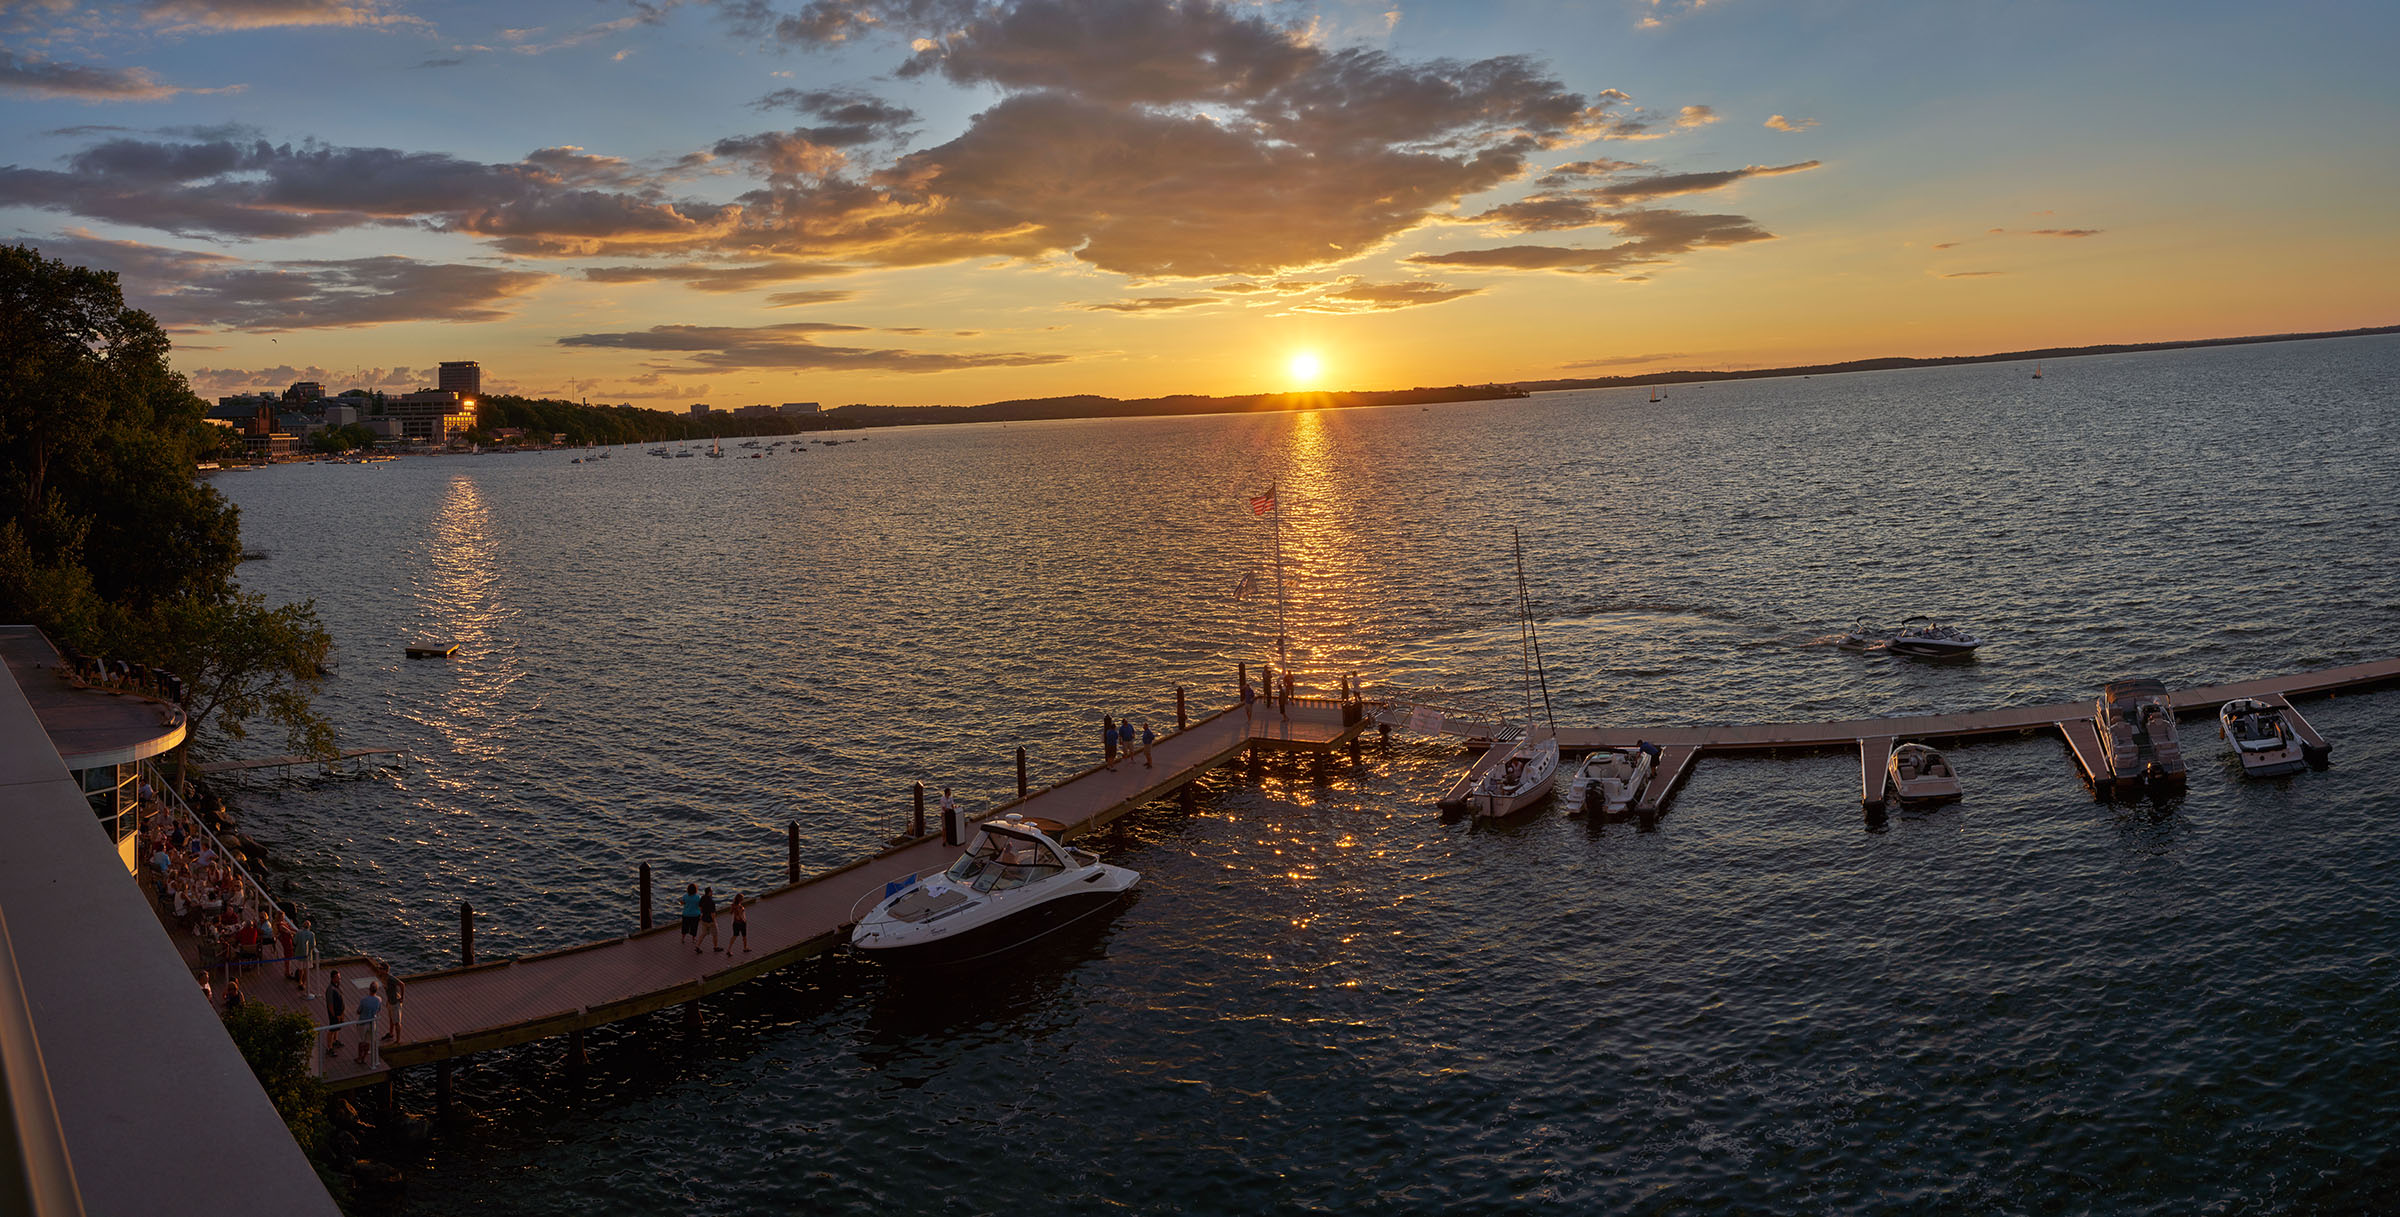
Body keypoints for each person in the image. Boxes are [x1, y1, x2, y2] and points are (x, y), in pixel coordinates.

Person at [353, 982, 383, 1064]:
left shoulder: (364, 1000)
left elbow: (359, 1011)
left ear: (369, 989)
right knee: (368, 1041)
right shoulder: (379, 999)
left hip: (363, 1022)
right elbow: (378, 1010)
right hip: (372, 1023)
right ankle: (363, 1058)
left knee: (361, 1040)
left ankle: (359, 1057)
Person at [323, 968, 346, 1053]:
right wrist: (334, 1015)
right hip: (334, 1014)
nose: (339, 979)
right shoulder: (330, 989)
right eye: (337, 977)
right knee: (332, 1029)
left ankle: (335, 1040)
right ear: (332, 978)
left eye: (339, 977)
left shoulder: (337, 987)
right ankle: (329, 1047)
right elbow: (330, 1005)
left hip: (340, 1013)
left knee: (337, 1028)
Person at [293, 918, 317, 990]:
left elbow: (294, 942)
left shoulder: (299, 933)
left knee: (300, 969)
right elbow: (313, 945)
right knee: (306, 970)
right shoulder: (311, 934)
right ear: (309, 927)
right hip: (307, 955)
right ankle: (303, 983)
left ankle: (300, 982)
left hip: (299, 954)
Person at [681, 882, 703, 951]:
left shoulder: (685, 896)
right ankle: (693, 939)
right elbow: (700, 906)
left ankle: (683, 938)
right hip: (695, 915)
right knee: (694, 927)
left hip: (686, 914)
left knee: (685, 926)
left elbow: (682, 903)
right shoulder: (698, 897)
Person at [699, 885, 722, 952]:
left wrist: (702, 913)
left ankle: (697, 946)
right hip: (710, 921)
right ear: (709, 892)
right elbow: (712, 914)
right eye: (711, 891)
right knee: (715, 934)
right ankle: (715, 947)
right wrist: (715, 922)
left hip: (703, 919)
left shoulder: (702, 898)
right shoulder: (711, 902)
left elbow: (700, 908)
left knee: (703, 934)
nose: (712, 892)